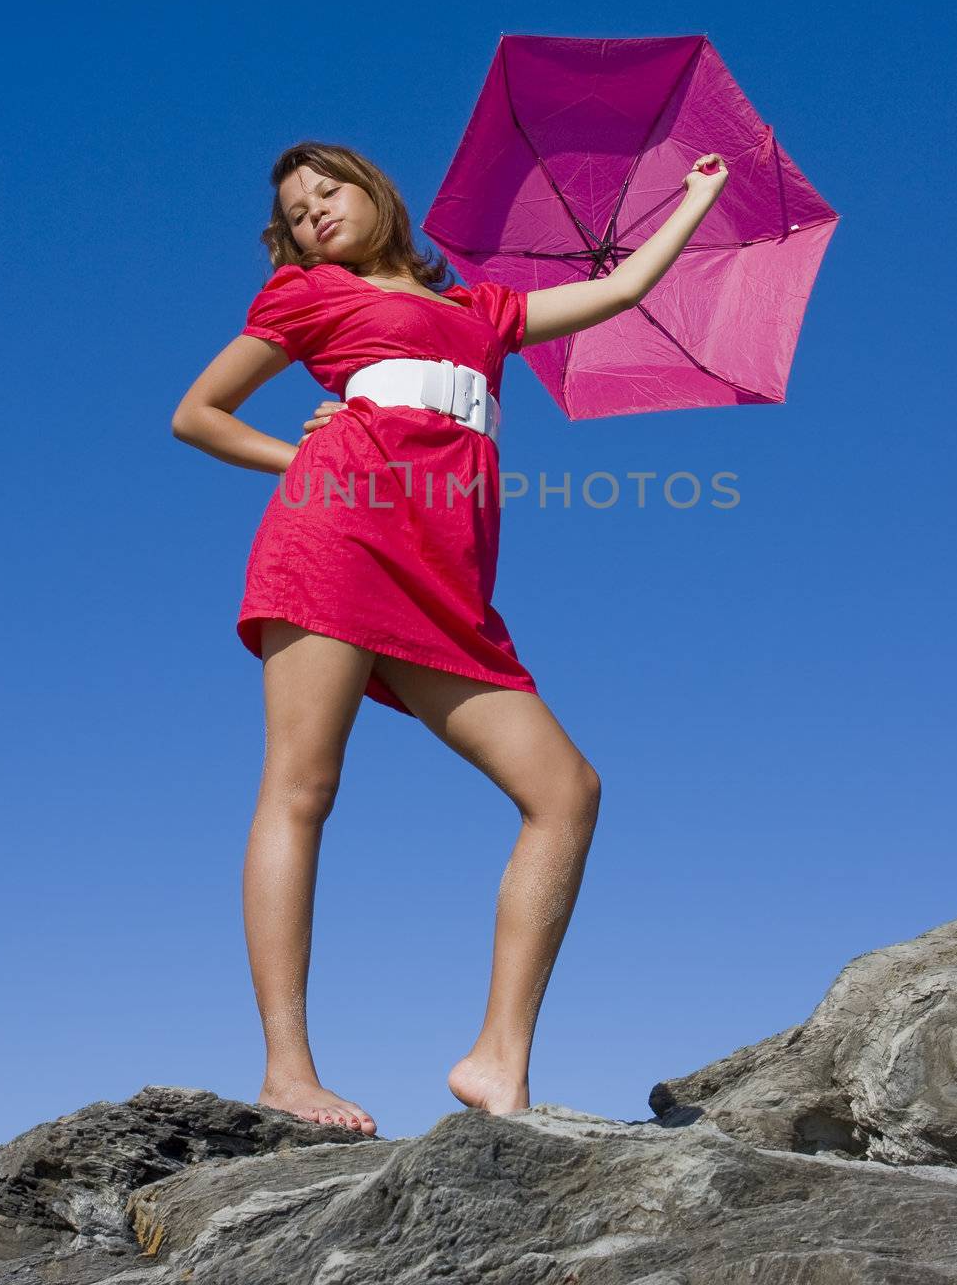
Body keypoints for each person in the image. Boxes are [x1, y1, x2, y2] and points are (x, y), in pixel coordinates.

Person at [172, 141, 728, 1137]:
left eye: (327, 191)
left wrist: (690, 199)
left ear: (376, 194)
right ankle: (287, 1070)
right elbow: (197, 414)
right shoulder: (304, 298)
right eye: (296, 212)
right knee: (302, 788)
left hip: (445, 581)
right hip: (334, 537)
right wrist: (295, 457)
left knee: (564, 791)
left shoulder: (483, 310)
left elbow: (621, 288)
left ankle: (496, 1061)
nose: (313, 216)